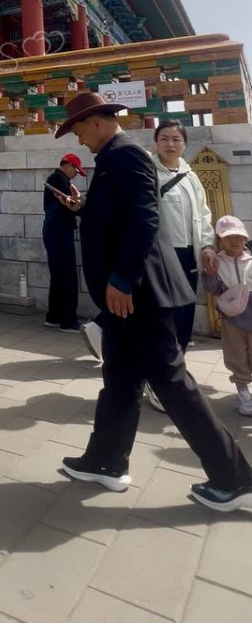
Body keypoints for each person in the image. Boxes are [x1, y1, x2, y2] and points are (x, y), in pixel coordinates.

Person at [53, 91, 252, 514]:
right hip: (125, 296)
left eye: (79, 130)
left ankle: (233, 477)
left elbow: (146, 218)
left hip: (140, 294)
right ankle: (106, 461)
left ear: (98, 122)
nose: (79, 140)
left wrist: (122, 278)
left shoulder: (127, 154)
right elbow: (119, 215)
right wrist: (83, 207)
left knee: (172, 383)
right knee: (120, 380)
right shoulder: (112, 157)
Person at [143, 119, 217, 409]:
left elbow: (204, 214)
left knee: (184, 316)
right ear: (156, 142)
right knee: (164, 318)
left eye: (176, 139)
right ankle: (157, 380)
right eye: (164, 138)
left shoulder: (190, 176)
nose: (170, 144)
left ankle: (174, 372)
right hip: (161, 254)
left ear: (184, 144)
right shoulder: (148, 171)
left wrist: (207, 246)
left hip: (189, 255)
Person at [203, 215, 252, 416]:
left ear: (245, 238)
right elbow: (212, 288)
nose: (234, 241)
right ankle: (243, 392)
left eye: (239, 236)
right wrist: (210, 273)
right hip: (232, 320)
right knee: (236, 354)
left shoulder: (250, 260)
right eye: (228, 237)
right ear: (220, 240)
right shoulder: (217, 262)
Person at [42, 152, 87, 333]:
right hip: (59, 231)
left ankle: (54, 316)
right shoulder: (59, 179)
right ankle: (68, 321)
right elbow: (73, 204)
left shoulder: (56, 179)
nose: (75, 175)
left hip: (54, 231)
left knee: (59, 275)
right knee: (67, 276)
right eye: (76, 171)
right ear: (68, 166)